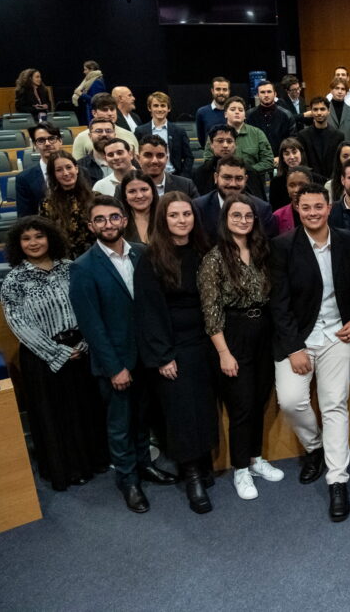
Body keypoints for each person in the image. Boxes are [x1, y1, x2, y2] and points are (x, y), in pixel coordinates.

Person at [70, 195, 176, 514]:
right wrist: (115, 367)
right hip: (115, 363)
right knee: (120, 425)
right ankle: (128, 480)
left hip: (145, 357)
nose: (108, 224)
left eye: (114, 218)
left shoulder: (142, 254)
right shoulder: (83, 267)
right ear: (91, 226)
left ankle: (144, 465)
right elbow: (92, 325)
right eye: (100, 219)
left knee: (143, 417)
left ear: (124, 220)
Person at [270, 183, 350, 521]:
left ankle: (337, 480)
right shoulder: (282, 246)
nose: (312, 213)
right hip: (299, 337)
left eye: (318, 207)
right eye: (305, 207)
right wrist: (295, 347)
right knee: (291, 401)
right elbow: (278, 304)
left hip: (338, 335)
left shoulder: (348, 241)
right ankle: (315, 447)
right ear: (297, 209)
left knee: (333, 405)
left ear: (328, 207)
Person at [2, 217, 107, 491]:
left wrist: (84, 343)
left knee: (85, 409)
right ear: (18, 244)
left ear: (51, 238)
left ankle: (94, 461)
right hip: (43, 357)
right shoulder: (14, 280)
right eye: (26, 239)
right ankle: (67, 470)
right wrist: (57, 352)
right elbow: (18, 324)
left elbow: (89, 305)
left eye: (39, 236)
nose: (34, 243)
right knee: (54, 416)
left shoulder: (71, 268)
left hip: (81, 349)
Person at [134, 192, 218, 514]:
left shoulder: (204, 251)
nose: (182, 220)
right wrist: (162, 355)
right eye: (174, 215)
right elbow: (148, 312)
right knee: (182, 412)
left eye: (187, 214)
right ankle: (192, 474)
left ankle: (204, 462)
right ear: (163, 219)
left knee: (204, 406)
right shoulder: (151, 257)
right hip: (173, 347)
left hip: (205, 342)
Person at [199, 194, 284, 501]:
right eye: (236, 216)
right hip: (232, 334)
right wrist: (223, 352)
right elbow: (210, 311)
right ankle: (240, 469)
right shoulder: (214, 259)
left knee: (260, 397)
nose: (243, 221)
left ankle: (255, 458)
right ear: (225, 219)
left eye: (248, 216)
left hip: (264, 331)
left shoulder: (261, 251)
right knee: (241, 404)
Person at [194, 156, 277, 243]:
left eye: (239, 178)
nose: (233, 184)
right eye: (227, 178)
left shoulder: (262, 209)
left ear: (246, 179)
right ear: (216, 178)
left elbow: (267, 247)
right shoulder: (199, 207)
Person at [202, 97, 274, 181]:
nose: (237, 112)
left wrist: (244, 172)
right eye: (232, 109)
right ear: (225, 114)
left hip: (252, 182)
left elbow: (268, 161)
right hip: (223, 183)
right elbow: (208, 160)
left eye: (240, 110)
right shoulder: (215, 134)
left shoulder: (257, 133)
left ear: (245, 115)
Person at [41, 153, 94, 258]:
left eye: (69, 167)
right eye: (59, 170)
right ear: (53, 175)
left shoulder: (95, 198)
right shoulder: (47, 205)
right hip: (63, 260)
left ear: (77, 169)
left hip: (94, 257)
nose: (65, 173)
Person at [194, 125, 267, 200]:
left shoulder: (249, 171)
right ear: (211, 145)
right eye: (220, 141)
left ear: (235, 144)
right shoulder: (201, 173)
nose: (225, 145)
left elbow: (259, 203)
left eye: (229, 141)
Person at [134, 92, 193, 177]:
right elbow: (137, 157)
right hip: (148, 177)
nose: (159, 109)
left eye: (163, 105)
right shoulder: (140, 131)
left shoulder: (179, 131)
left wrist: (183, 176)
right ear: (149, 108)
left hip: (174, 176)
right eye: (156, 106)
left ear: (169, 108)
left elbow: (188, 157)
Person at [71, 94, 139, 161]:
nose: (110, 113)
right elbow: (78, 165)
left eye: (112, 109)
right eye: (105, 110)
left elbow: (137, 163)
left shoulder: (129, 135)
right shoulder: (82, 137)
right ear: (94, 113)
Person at [18, 122, 62, 217]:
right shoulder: (24, 179)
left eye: (51, 139)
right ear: (35, 145)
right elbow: (25, 218)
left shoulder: (80, 171)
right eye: (41, 140)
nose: (47, 144)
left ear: (60, 141)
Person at [297, 96, 345, 180]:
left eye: (322, 109)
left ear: (328, 111)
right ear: (311, 112)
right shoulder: (302, 135)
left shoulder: (338, 136)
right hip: (311, 181)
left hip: (332, 181)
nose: (319, 113)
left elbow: (339, 163)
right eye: (315, 109)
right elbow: (303, 162)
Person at [247, 80, 296, 157]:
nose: (266, 95)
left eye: (269, 92)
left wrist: (281, 157)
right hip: (257, 161)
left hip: (281, 160)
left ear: (275, 94)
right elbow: (248, 141)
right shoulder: (249, 115)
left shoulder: (287, 115)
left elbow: (292, 140)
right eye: (262, 92)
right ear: (257, 95)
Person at [269, 137, 314, 210]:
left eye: (294, 152)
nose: (292, 157)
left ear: (301, 153)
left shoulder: (316, 178)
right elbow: (275, 210)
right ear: (282, 158)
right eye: (287, 154)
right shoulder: (276, 183)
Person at [118, 170, 158, 243]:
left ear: (153, 191)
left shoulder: (166, 217)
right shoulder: (118, 223)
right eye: (132, 191)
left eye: (144, 189)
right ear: (125, 196)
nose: (139, 196)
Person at [273, 165, 314, 234]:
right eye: (292, 185)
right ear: (287, 187)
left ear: (311, 185)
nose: (297, 190)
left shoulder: (323, 211)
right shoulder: (278, 216)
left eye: (302, 185)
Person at [195, 77, 230, 147]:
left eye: (225, 89)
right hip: (211, 156)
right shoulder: (202, 112)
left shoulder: (235, 112)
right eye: (218, 89)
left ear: (229, 91)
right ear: (212, 91)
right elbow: (202, 139)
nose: (221, 92)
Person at [327, 78, 350, 143]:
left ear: (346, 93)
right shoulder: (324, 110)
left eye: (343, 89)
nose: (340, 91)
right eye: (337, 88)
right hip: (328, 151)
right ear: (331, 91)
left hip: (348, 150)